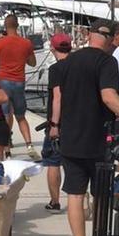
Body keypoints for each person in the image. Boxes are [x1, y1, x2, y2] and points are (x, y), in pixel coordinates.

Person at [53, 19, 119, 236]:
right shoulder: (107, 62)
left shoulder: (68, 62)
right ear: (109, 40)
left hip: (70, 137)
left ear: (89, 36)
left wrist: (55, 126)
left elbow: (59, 97)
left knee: (75, 195)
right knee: (100, 195)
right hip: (98, 138)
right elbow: (108, 96)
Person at [0, 14, 38, 157]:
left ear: (5, 25)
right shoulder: (26, 43)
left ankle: (7, 148)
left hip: (3, 81)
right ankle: (29, 146)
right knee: (20, 116)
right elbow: (33, 62)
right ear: (17, 25)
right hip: (19, 82)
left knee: (5, 115)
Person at [42, 32, 72, 211]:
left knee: (53, 162)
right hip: (75, 121)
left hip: (59, 121)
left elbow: (57, 97)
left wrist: (54, 124)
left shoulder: (56, 69)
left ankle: (55, 201)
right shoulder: (78, 66)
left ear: (53, 48)